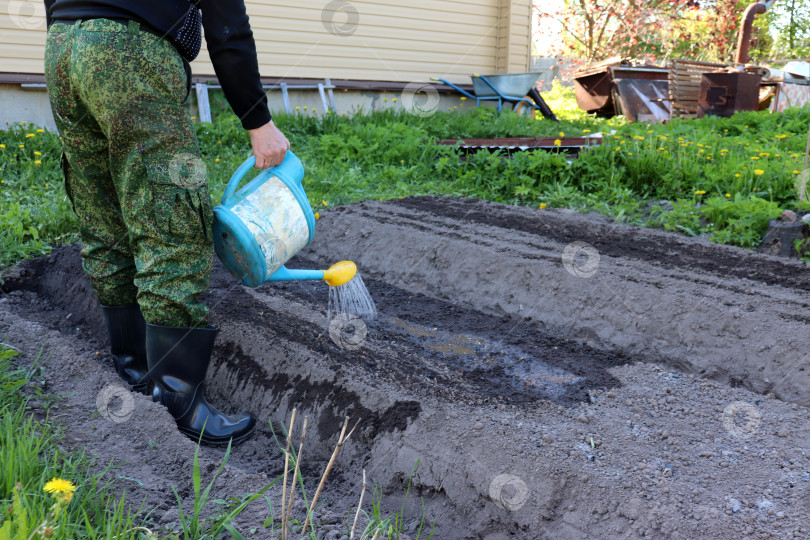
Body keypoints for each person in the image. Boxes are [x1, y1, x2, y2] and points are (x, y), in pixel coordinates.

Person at [42, 0, 289, 446]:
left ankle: (134, 365)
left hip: (62, 46)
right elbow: (226, 25)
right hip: (131, 52)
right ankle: (179, 398)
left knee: (103, 211)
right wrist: (258, 120)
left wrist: (73, 32)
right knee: (172, 216)